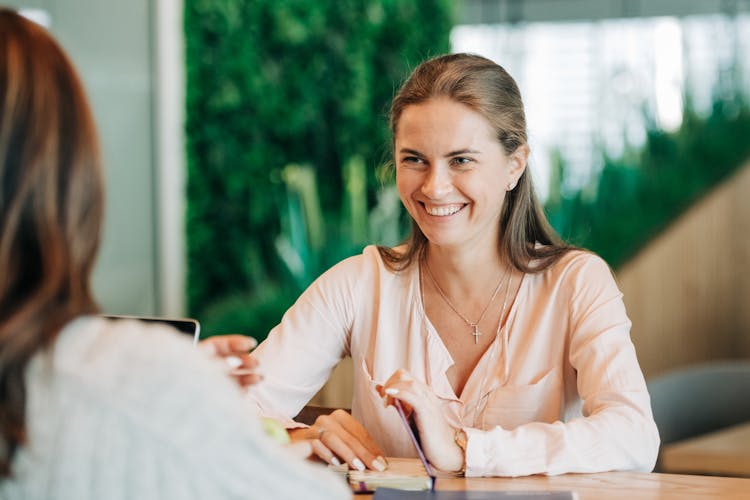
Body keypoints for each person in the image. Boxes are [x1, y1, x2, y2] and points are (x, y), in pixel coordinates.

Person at [247, 53, 660, 477]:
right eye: (414, 159)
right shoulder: (358, 284)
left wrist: (466, 451)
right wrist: (303, 438)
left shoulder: (576, 283)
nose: (434, 186)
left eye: (461, 160)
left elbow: (633, 436)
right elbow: (230, 409)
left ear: (514, 166)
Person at [0, 9, 349, 499]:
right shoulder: (117, 383)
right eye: (412, 159)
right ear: (69, 180)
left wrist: (178, 392)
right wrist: (172, 393)